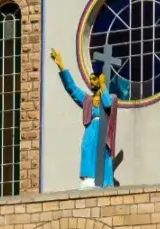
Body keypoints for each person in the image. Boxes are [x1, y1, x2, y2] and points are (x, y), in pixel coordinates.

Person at [52, 47, 129, 188]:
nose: (92, 81)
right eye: (91, 79)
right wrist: (61, 66)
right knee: (87, 147)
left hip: (103, 129)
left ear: (101, 80)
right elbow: (72, 89)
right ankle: (89, 178)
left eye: (95, 79)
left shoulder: (110, 97)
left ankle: (103, 181)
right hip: (91, 128)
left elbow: (106, 104)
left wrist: (103, 86)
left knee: (102, 153)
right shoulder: (87, 100)